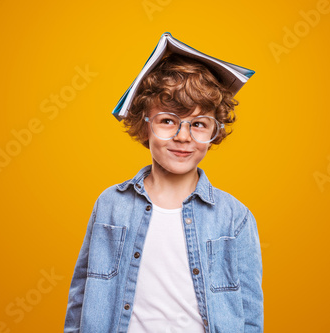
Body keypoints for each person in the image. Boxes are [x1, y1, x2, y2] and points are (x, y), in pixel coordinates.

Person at [64, 52, 263, 332]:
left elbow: (250, 313)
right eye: (168, 121)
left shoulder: (235, 217)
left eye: (198, 124)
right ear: (146, 125)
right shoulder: (110, 205)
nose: (183, 137)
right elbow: (80, 297)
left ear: (214, 132)